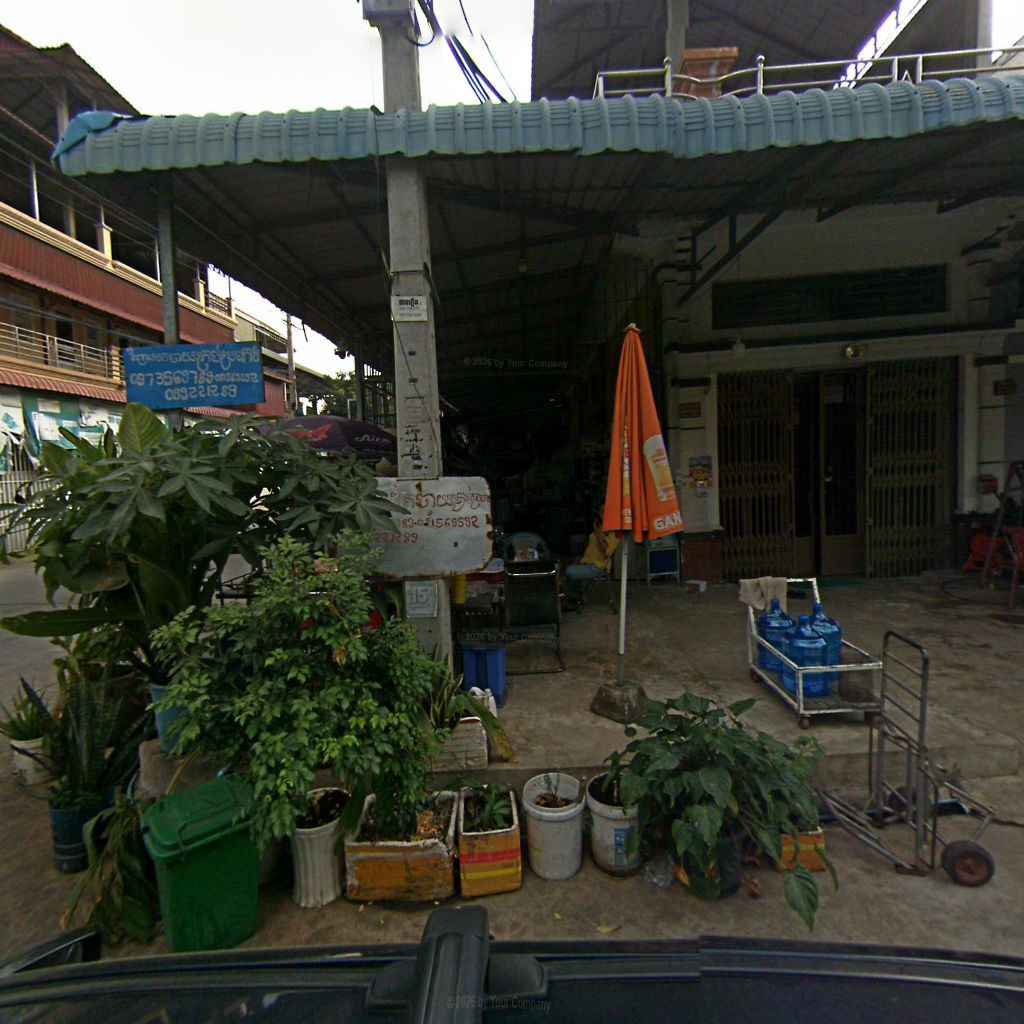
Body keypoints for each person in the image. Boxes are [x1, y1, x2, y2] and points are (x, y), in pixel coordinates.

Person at [564, 517, 620, 603]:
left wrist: (596, 531)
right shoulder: (602, 527)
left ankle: (576, 598)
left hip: (599, 567)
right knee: (569, 569)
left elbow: (607, 550)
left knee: (570, 571)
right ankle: (576, 596)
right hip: (588, 562)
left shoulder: (614, 534)